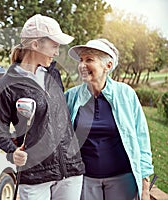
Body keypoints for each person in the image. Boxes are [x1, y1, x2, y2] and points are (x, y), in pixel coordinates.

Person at [0, 14, 85, 200]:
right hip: (35, 174)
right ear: (35, 45)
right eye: (54, 46)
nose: (57, 52)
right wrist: (13, 151)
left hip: (70, 168)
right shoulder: (6, 85)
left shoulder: (54, 74)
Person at [65, 38, 154, 200]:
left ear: (108, 66)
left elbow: (142, 140)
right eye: (81, 60)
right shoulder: (71, 96)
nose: (82, 65)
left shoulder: (126, 94)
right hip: (85, 179)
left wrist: (145, 184)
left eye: (89, 60)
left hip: (123, 180)